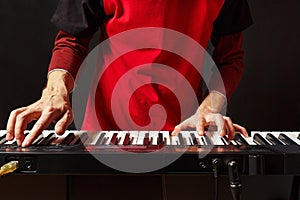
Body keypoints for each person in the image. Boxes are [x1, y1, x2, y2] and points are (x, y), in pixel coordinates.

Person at [6, 0, 252, 147]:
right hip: (104, 135)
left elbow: (229, 58)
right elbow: (72, 40)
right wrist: (55, 91)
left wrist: (210, 108)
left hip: (184, 135)